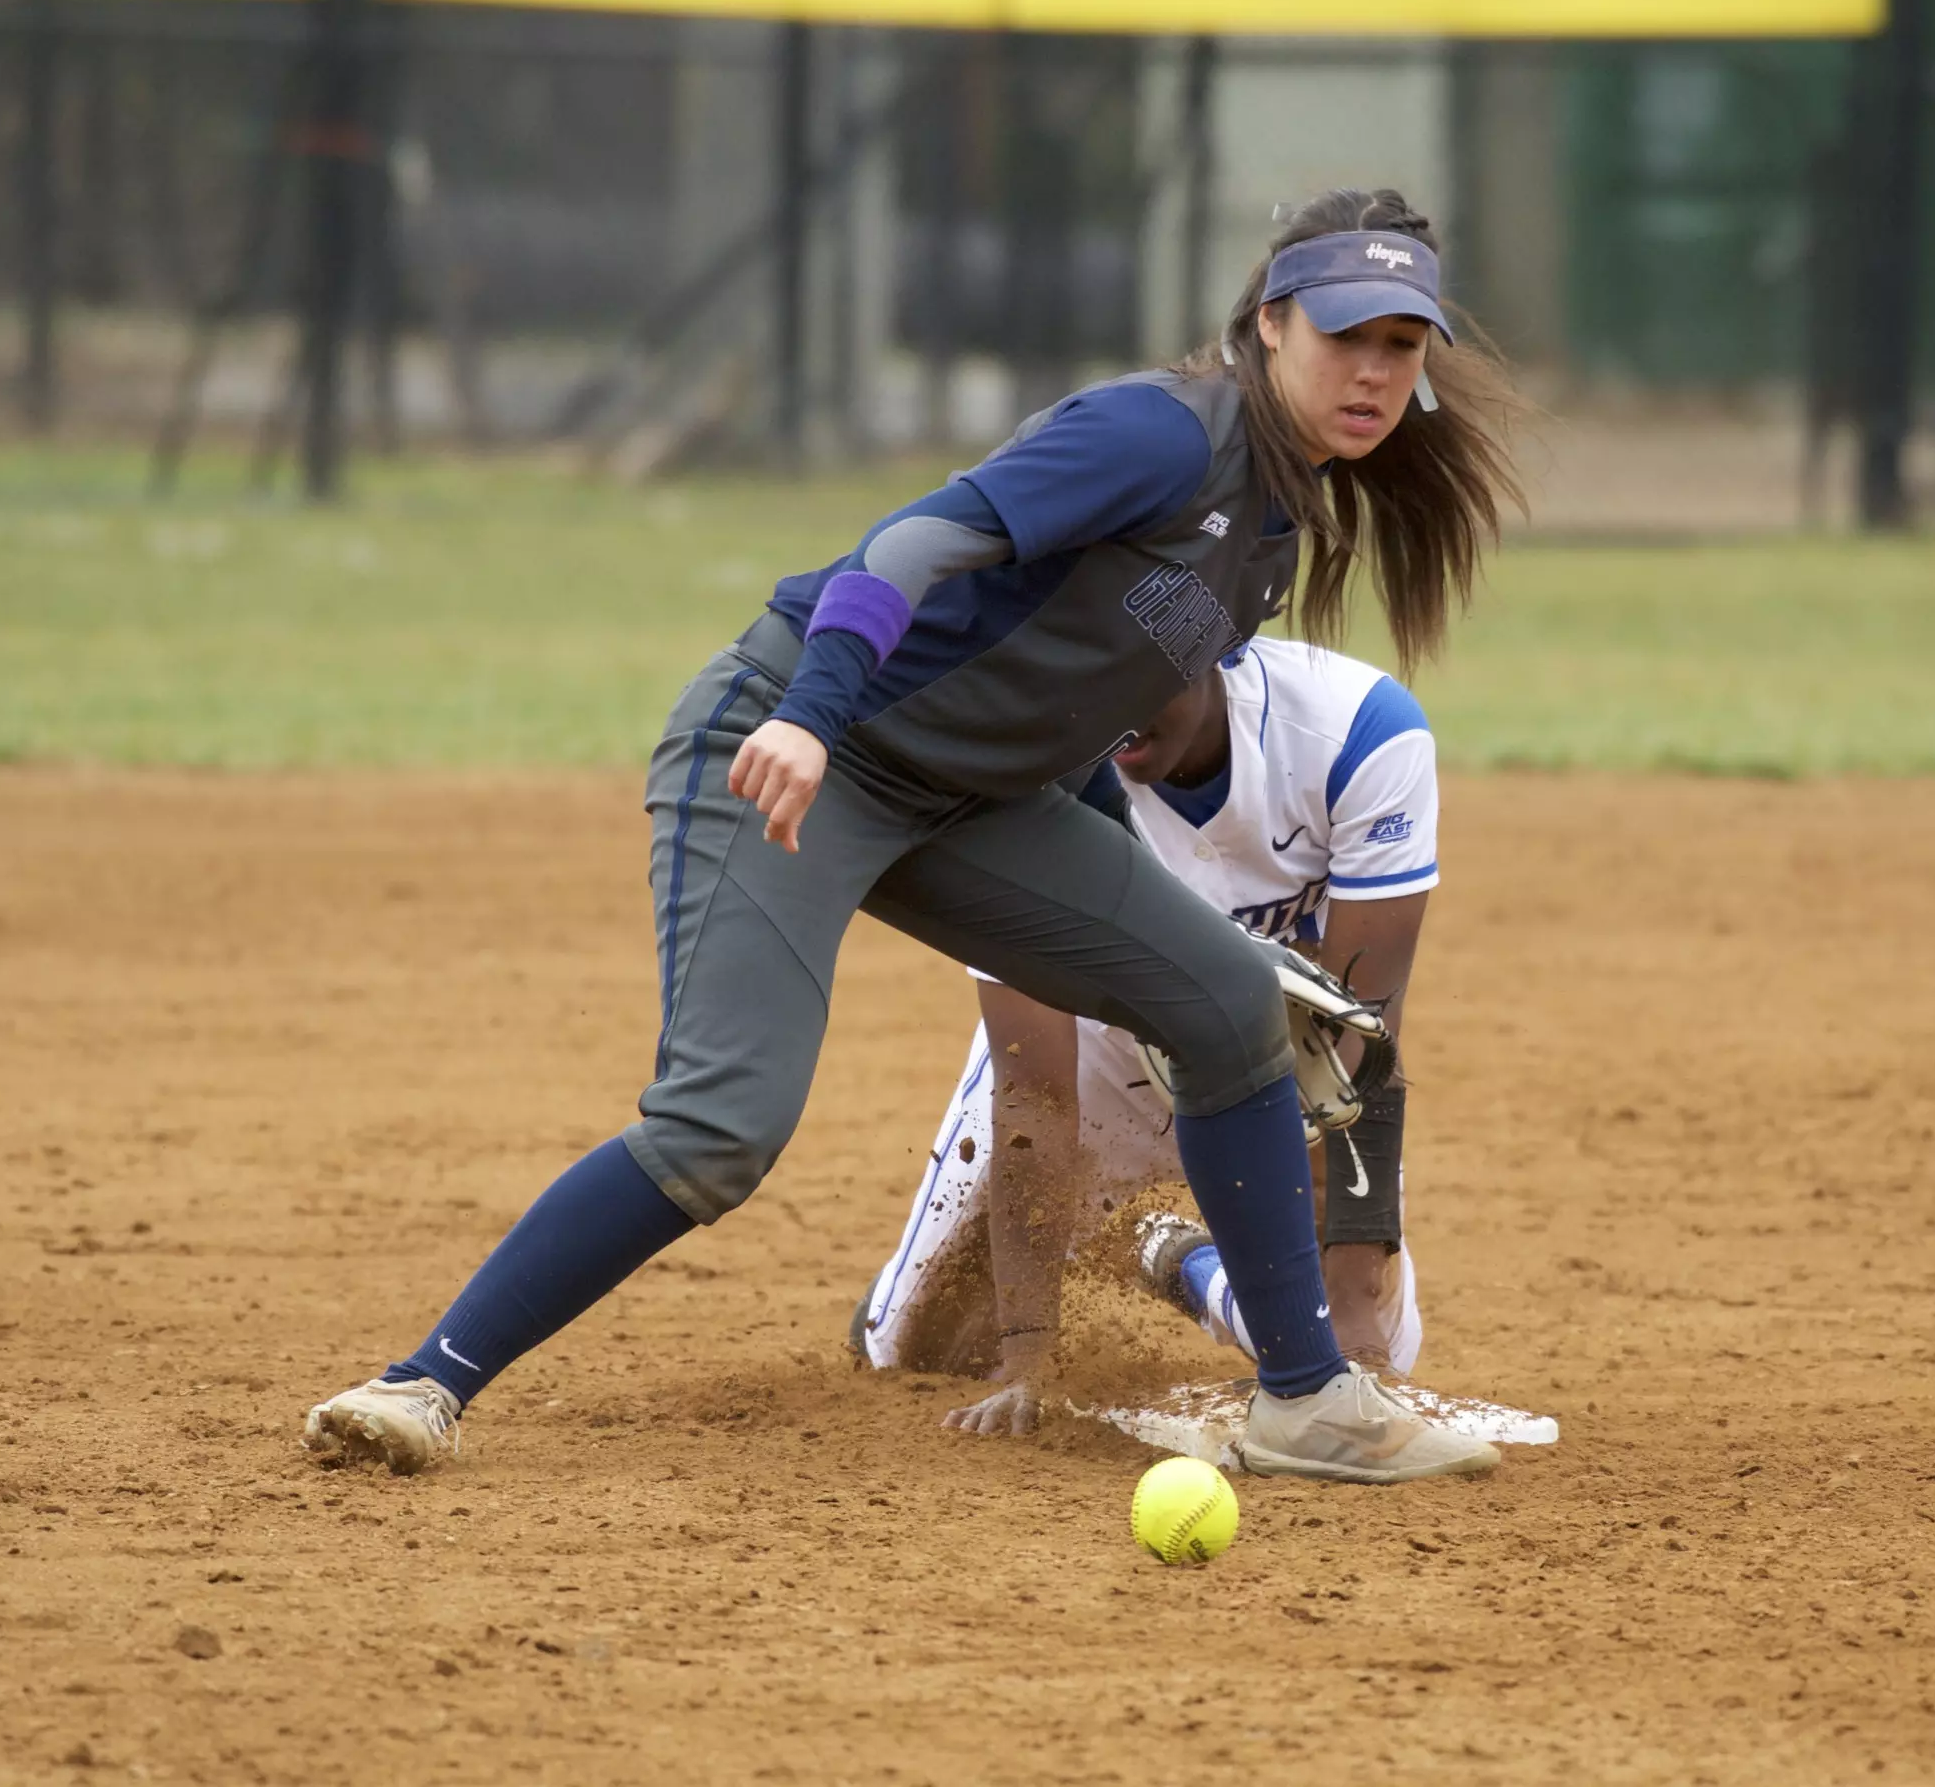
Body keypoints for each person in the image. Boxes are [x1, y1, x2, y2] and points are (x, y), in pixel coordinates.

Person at [302, 185, 1524, 1479]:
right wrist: (808, 716)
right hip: (795, 747)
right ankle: (423, 1383)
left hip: (973, 801)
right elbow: (912, 544)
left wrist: (1146, 921)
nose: (1374, 370)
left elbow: (1070, 705)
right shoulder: (1162, 434)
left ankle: (1306, 1400)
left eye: (1401, 345)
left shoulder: (1275, 523)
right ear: (1271, 324)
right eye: (1346, 335)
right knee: (723, 1127)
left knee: (1226, 999)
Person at [852, 636, 1442, 1431]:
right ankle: (1140, 1252)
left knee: (1358, 1352)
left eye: (1136, 679)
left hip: (1280, 1062)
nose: (1114, 714)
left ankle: (1180, 1262)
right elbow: (1033, 1092)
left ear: (1214, 646)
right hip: (1098, 1049)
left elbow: (1356, 1051)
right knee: (920, 1349)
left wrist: (1357, 1332)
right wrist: (1029, 1361)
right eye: (1096, 682)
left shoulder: (1357, 734)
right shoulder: (1024, 770)